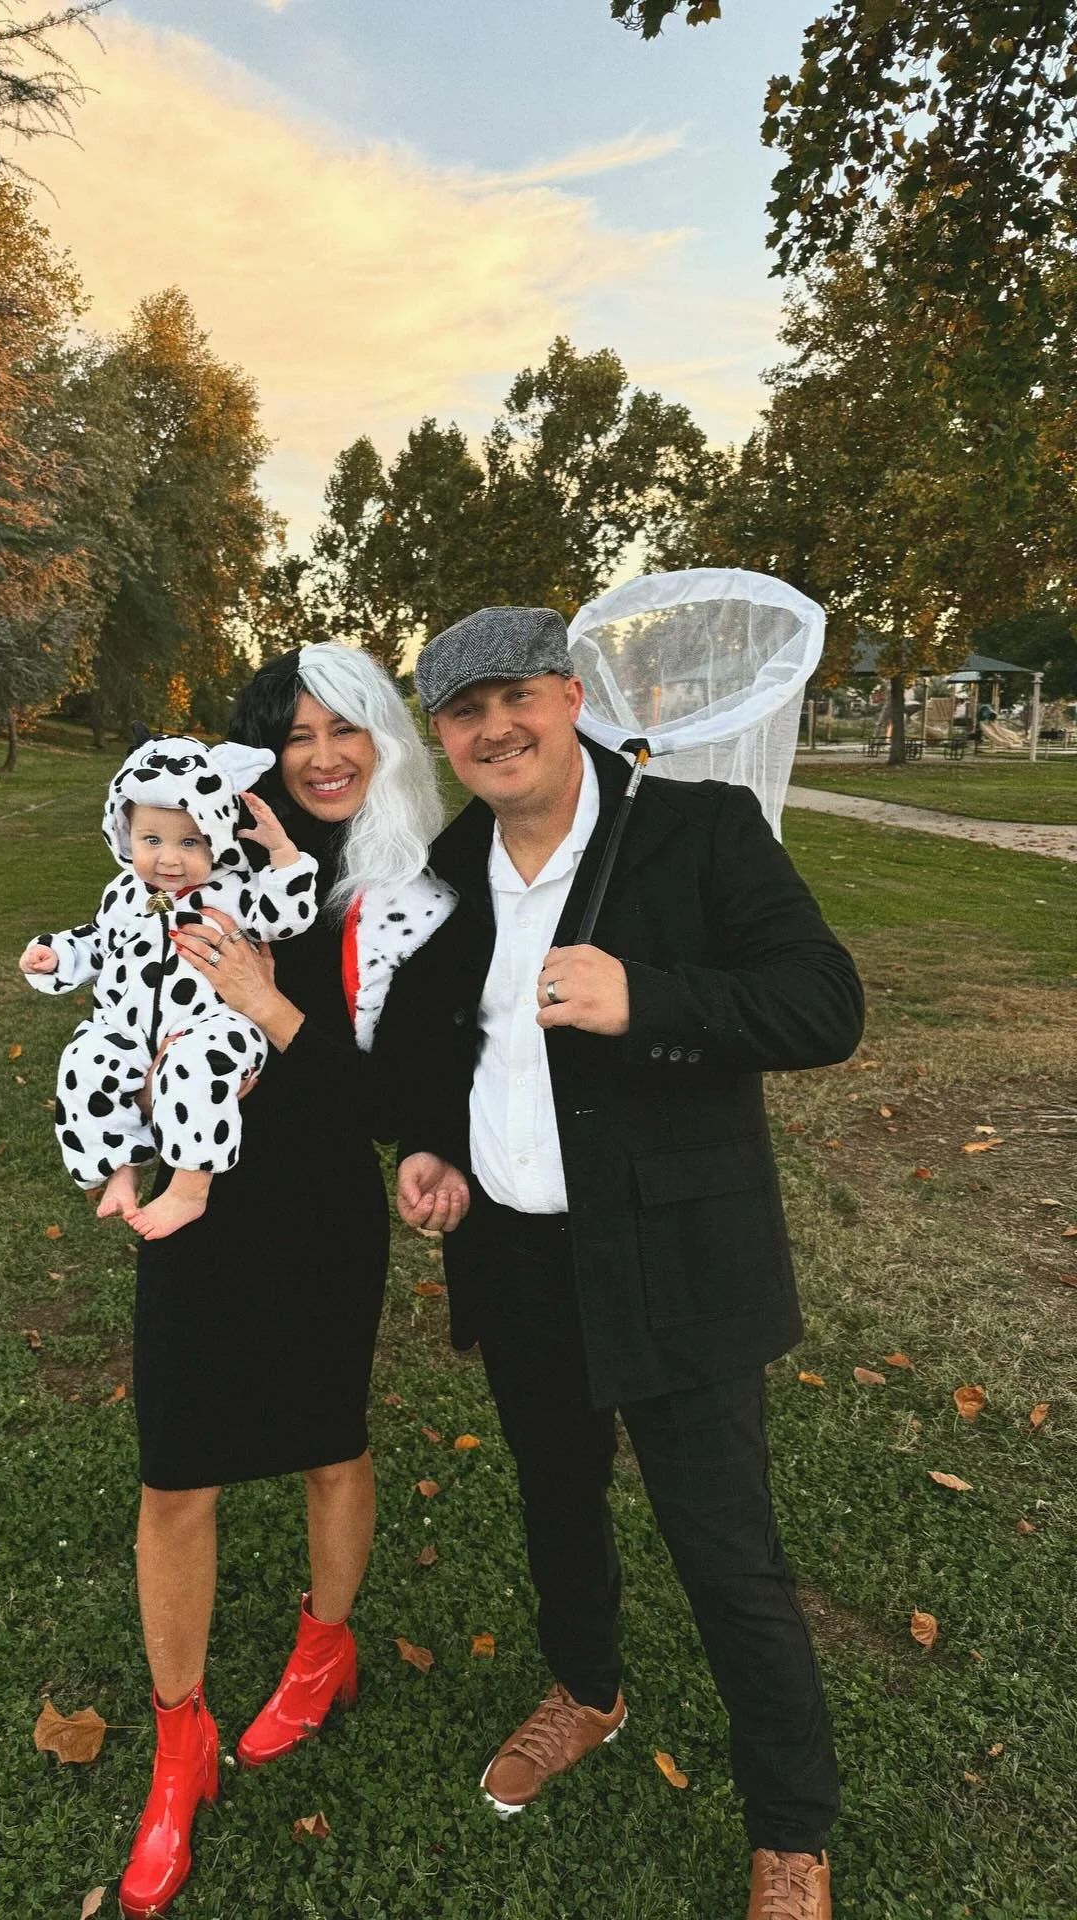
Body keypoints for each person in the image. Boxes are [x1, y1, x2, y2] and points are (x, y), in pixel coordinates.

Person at [378, 606, 864, 1920]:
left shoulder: (694, 832)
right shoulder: (451, 864)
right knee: (558, 1503)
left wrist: (648, 997)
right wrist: (430, 1146)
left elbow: (826, 1003)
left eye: (518, 697)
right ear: (443, 735)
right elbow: (442, 1042)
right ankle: (587, 1691)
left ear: (569, 698)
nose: (496, 729)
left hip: (675, 1259)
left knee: (726, 1553)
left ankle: (790, 1830)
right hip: (515, 1257)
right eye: (466, 712)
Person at [105, 643, 461, 1920]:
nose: (322, 755)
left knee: (329, 1446)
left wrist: (271, 1003)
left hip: (318, 1206)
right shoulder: (201, 854)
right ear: (261, 750)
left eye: (344, 728)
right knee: (174, 1472)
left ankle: (323, 1653)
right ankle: (180, 1742)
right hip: (201, 1196)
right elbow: (127, 992)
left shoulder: (404, 891)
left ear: (381, 739)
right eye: (295, 732)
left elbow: (396, 1100)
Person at [18, 733, 319, 1239]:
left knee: (196, 1067)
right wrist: (56, 957)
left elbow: (286, 915)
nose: (170, 860)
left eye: (190, 842)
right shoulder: (124, 893)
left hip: (214, 1024)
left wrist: (282, 852)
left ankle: (189, 1187)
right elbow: (98, 940)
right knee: (85, 1059)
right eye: (152, 841)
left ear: (217, 838)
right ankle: (120, 1168)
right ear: (124, 834)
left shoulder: (235, 890)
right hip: (127, 1027)